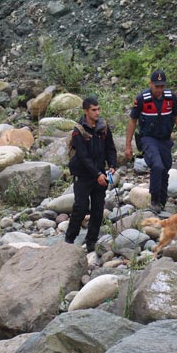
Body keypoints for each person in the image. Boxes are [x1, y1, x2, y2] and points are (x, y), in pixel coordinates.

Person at [125, 69, 177, 213]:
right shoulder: (142, 99)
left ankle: (162, 200)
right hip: (148, 139)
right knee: (157, 166)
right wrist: (128, 145)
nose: (159, 89)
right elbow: (132, 121)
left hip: (165, 139)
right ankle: (154, 200)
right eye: (157, 86)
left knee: (165, 168)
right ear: (151, 84)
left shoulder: (171, 98)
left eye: (162, 86)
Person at [65, 96, 117, 252]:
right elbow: (83, 157)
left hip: (100, 174)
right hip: (83, 175)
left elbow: (110, 148)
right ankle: (69, 240)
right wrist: (97, 175)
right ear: (86, 111)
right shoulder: (78, 131)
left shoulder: (103, 128)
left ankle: (91, 242)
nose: (97, 113)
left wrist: (113, 165)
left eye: (98, 109)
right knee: (80, 207)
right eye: (94, 110)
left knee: (98, 209)